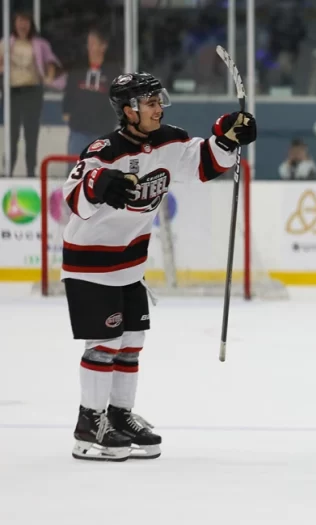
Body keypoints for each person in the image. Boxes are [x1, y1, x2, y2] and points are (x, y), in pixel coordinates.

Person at [61, 72, 257, 461]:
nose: (158, 108)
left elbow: (203, 163)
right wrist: (100, 184)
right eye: (149, 102)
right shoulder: (103, 150)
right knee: (104, 344)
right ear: (128, 110)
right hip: (90, 263)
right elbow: (73, 192)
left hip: (130, 262)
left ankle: (118, 416)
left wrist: (228, 137)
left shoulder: (169, 140)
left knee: (132, 342)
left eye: (158, 100)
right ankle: (89, 425)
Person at [0, 11, 63, 177]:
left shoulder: (39, 43)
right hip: (12, 92)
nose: (23, 25)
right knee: (11, 134)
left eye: (26, 21)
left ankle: (30, 171)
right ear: (14, 23)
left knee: (31, 134)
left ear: (31, 24)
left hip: (32, 91)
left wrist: (49, 77)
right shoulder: (6, 43)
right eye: (20, 21)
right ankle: (8, 171)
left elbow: (51, 62)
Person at [62, 28, 122, 156]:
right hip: (79, 128)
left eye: (94, 43)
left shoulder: (113, 70)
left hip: (103, 130)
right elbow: (69, 90)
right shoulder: (79, 67)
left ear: (103, 46)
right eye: (89, 43)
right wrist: (66, 110)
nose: (90, 47)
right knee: (76, 169)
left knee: (100, 169)